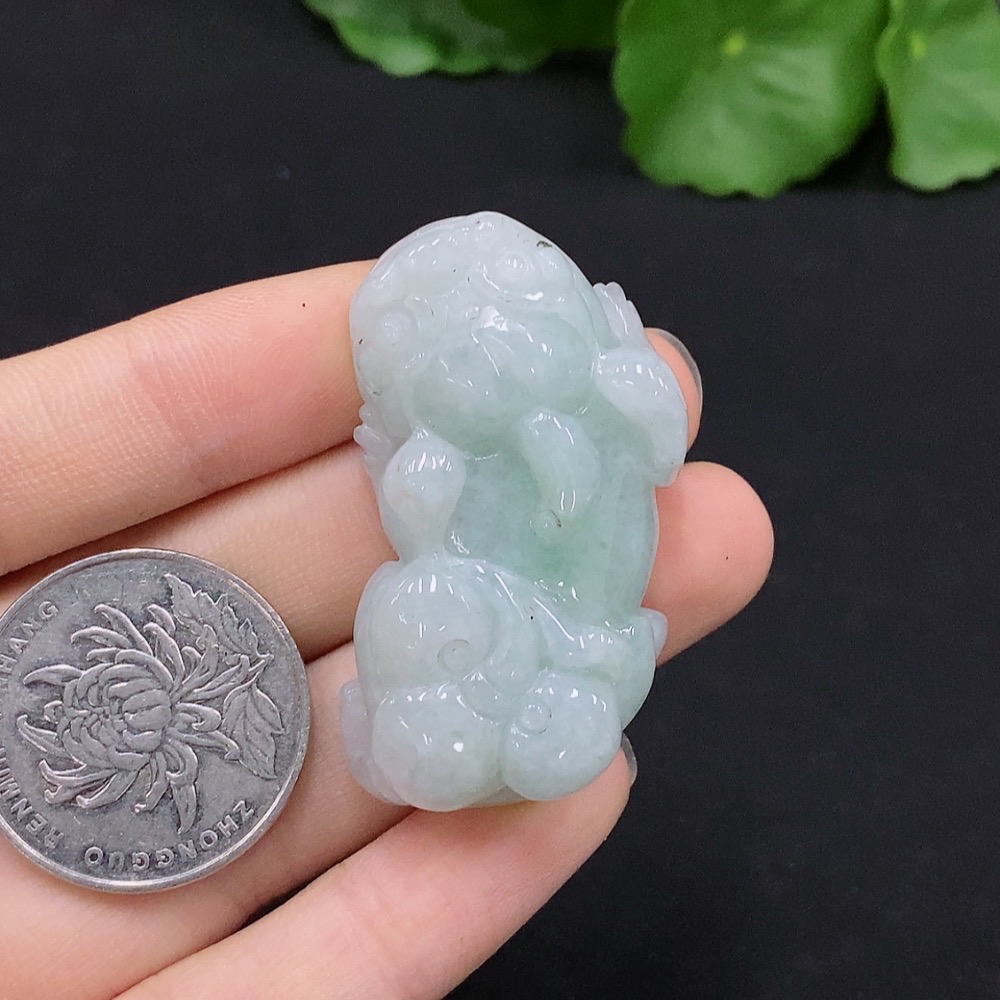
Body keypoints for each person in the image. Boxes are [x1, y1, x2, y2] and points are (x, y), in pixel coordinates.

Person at [0, 261, 772, 999]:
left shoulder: (590, 400)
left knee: (499, 677)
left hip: (565, 637)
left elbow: (652, 456)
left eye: (500, 332)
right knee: (424, 611)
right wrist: (424, 517)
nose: (477, 361)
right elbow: (430, 552)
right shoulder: (439, 453)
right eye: (435, 346)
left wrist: (630, 384)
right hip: (488, 641)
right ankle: (458, 730)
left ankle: (514, 713)